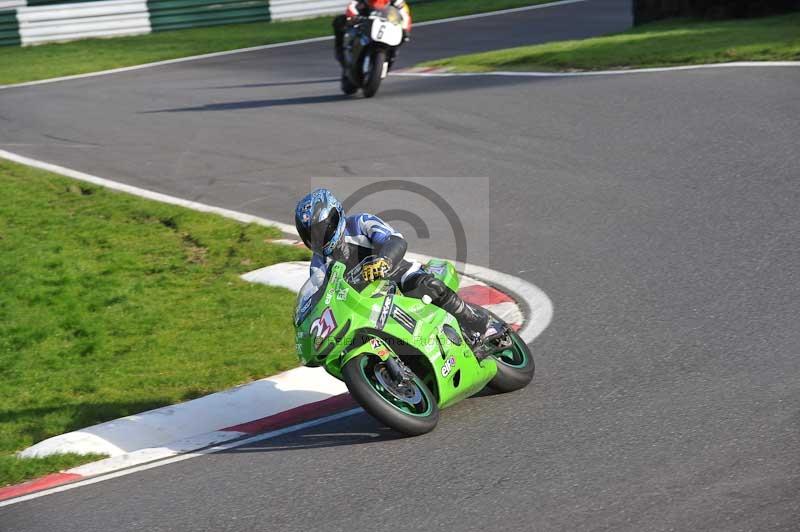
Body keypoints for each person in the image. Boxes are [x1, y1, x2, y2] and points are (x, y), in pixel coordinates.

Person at [295, 188, 497, 345]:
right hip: (365, 304)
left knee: (425, 285)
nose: (319, 238)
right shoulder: (318, 266)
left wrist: (384, 261)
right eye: (311, 235)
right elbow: (322, 297)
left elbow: (395, 239)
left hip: (396, 275)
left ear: (335, 217)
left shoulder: (360, 223)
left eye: (322, 230)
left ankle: (477, 322)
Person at [333, 0, 412, 68]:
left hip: (387, 26)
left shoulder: (396, 1)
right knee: (339, 21)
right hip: (365, 24)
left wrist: (405, 29)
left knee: (402, 36)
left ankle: (392, 54)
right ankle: (340, 50)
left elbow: (405, 14)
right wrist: (355, 16)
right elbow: (351, 7)